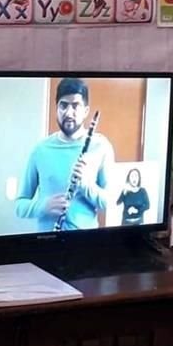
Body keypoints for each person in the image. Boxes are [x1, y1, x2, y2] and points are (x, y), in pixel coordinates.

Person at [15, 77, 115, 231]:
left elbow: (109, 201)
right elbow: (19, 206)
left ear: (86, 111)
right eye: (63, 105)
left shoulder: (101, 147)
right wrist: (42, 207)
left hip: (86, 246)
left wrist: (85, 185)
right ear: (57, 108)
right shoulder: (40, 150)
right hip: (48, 245)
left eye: (75, 106)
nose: (69, 113)